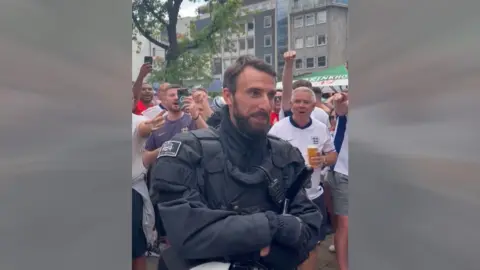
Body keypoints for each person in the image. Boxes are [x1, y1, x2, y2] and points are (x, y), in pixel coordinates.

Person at [149, 56, 323, 270]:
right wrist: (273, 226)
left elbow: (309, 224)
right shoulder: (187, 152)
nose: (265, 104)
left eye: (270, 95)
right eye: (254, 93)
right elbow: (187, 232)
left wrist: (272, 249)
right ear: (227, 96)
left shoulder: (283, 154)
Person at [268, 87, 337, 269]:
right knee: (284, 245)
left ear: (313, 106)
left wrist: (322, 159)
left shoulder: (320, 128)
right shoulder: (278, 129)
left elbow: (332, 155)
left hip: (313, 196)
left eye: (306, 102)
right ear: (291, 104)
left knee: (312, 244)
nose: (301, 105)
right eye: (297, 101)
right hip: (286, 200)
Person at [131, 97, 165, 270]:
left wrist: (150, 128)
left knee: (135, 246)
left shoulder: (139, 121)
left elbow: (143, 130)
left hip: (131, 194)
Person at [142, 85, 208, 167]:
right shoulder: (158, 123)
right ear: (165, 100)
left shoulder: (193, 120)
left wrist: (195, 115)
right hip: (164, 175)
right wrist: (165, 149)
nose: (176, 98)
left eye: (179, 94)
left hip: (190, 175)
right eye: (172, 95)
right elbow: (145, 161)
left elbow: (209, 139)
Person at [326, 91, 349, 270]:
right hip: (344, 174)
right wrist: (339, 99)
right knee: (344, 224)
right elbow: (340, 107)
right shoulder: (347, 105)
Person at [280, 51, 330, 127]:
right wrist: (289, 65)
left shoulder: (321, 115)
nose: (301, 105)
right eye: (298, 100)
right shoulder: (288, 109)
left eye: (306, 100)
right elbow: (286, 87)